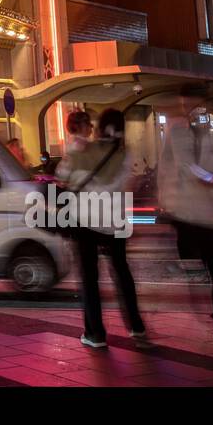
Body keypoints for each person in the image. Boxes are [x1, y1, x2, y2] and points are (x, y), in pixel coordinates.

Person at [156, 85, 213, 344]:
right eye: (184, 107)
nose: (188, 113)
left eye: (193, 106)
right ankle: (208, 313)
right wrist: (165, 200)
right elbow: (165, 169)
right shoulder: (175, 134)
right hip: (186, 216)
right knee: (193, 273)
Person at [57, 109, 149, 350]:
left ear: (99, 128)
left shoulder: (83, 150)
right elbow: (129, 188)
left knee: (89, 278)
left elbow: (62, 176)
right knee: (122, 272)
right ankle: (136, 326)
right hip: (116, 221)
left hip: (85, 221)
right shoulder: (125, 154)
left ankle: (95, 334)